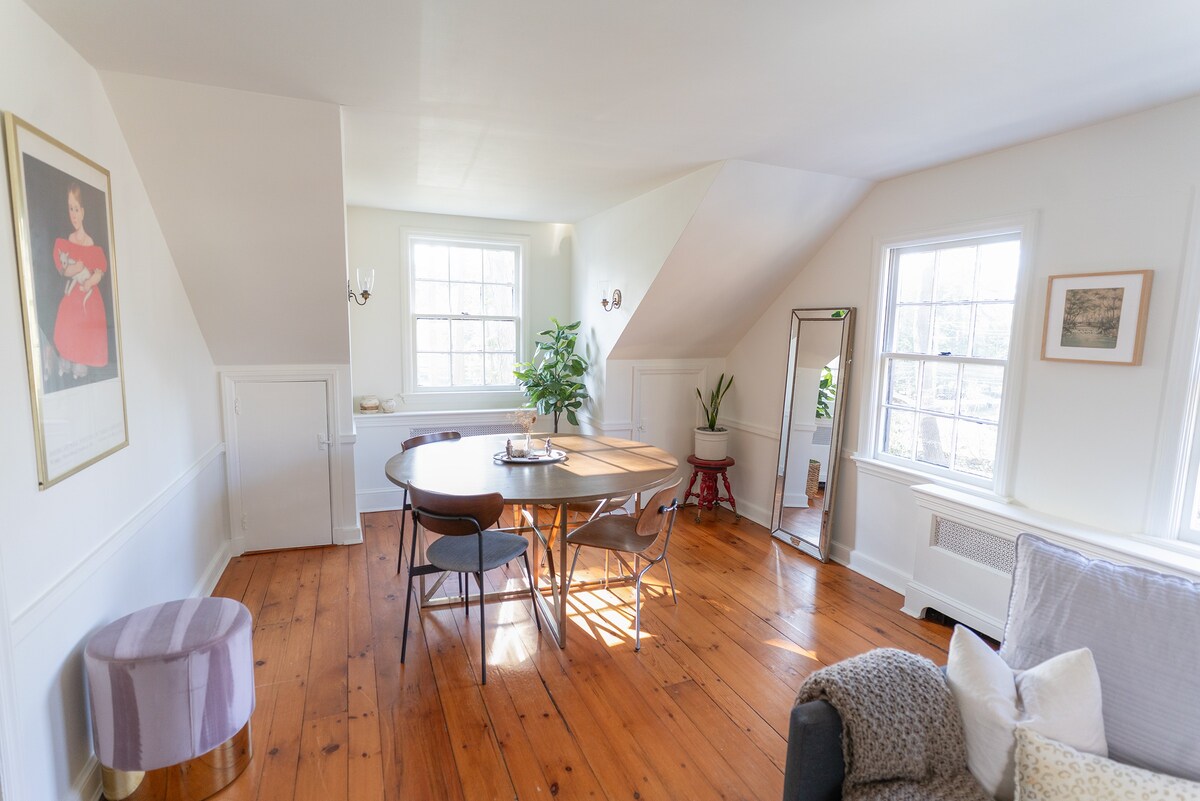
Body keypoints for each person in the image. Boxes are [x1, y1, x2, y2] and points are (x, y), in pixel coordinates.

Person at [52, 183, 108, 379]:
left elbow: (100, 271)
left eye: (76, 209)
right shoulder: (66, 242)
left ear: (83, 212)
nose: (73, 214)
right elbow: (63, 268)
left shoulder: (93, 246)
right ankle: (67, 363)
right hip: (73, 298)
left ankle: (81, 367)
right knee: (69, 328)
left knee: (87, 333)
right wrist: (73, 268)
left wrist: (91, 280)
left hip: (89, 298)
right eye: (70, 209)